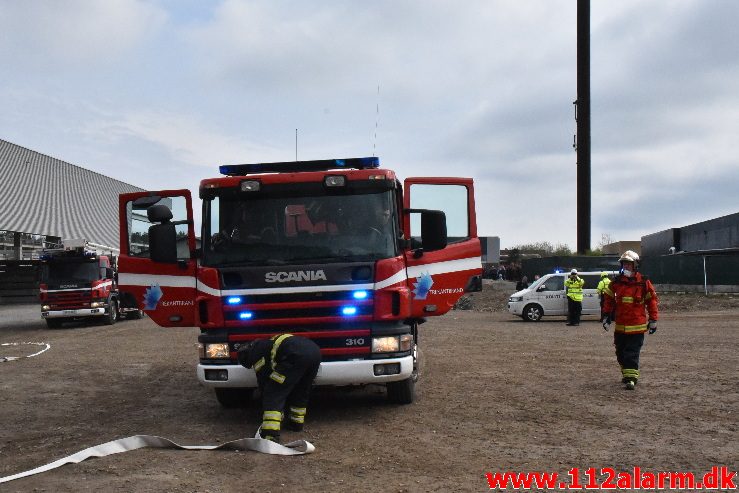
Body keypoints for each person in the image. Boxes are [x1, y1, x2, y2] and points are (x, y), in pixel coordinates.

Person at [237, 334, 322, 442]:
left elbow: (264, 380)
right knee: (301, 390)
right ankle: (296, 424)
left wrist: (272, 404)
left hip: (296, 355)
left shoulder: (257, 354)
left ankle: (270, 434)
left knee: (273, 392)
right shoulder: (266, 344)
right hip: (315, 352)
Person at [601, 250, 659, 390]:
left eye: (629, 264)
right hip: (620, 326)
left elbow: (652, 302)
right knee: (620, 353)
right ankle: (627, 374)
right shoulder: (616, 282)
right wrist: (606, 316)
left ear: (635, 266)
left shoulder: (644, 283)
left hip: (636, 327)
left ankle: (631, 379)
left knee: (631, 353)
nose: (626, 267)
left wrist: (653, 320)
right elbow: (608, 299)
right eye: (624, 264)